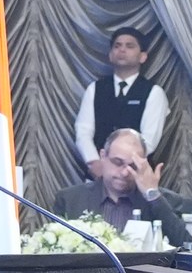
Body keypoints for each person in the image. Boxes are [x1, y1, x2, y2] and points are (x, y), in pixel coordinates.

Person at [49, 128, 191, 248]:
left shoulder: (163, 201)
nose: (125, 173)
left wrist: (152, 195)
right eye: (118, 162)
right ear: (103, 156)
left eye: (133, 166)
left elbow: (186, 246)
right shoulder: (70, 200)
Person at [71, 25, 169, 169]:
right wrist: (94, 162)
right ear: (110, 55)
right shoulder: (95, 89)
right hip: (98, 172)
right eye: (117, 46)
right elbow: (83, 131)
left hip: (136, 172)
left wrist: (121, 165)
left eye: (129, 46)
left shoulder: (154, 92)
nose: (122, 50)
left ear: (143, 56)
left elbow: (149, 140)